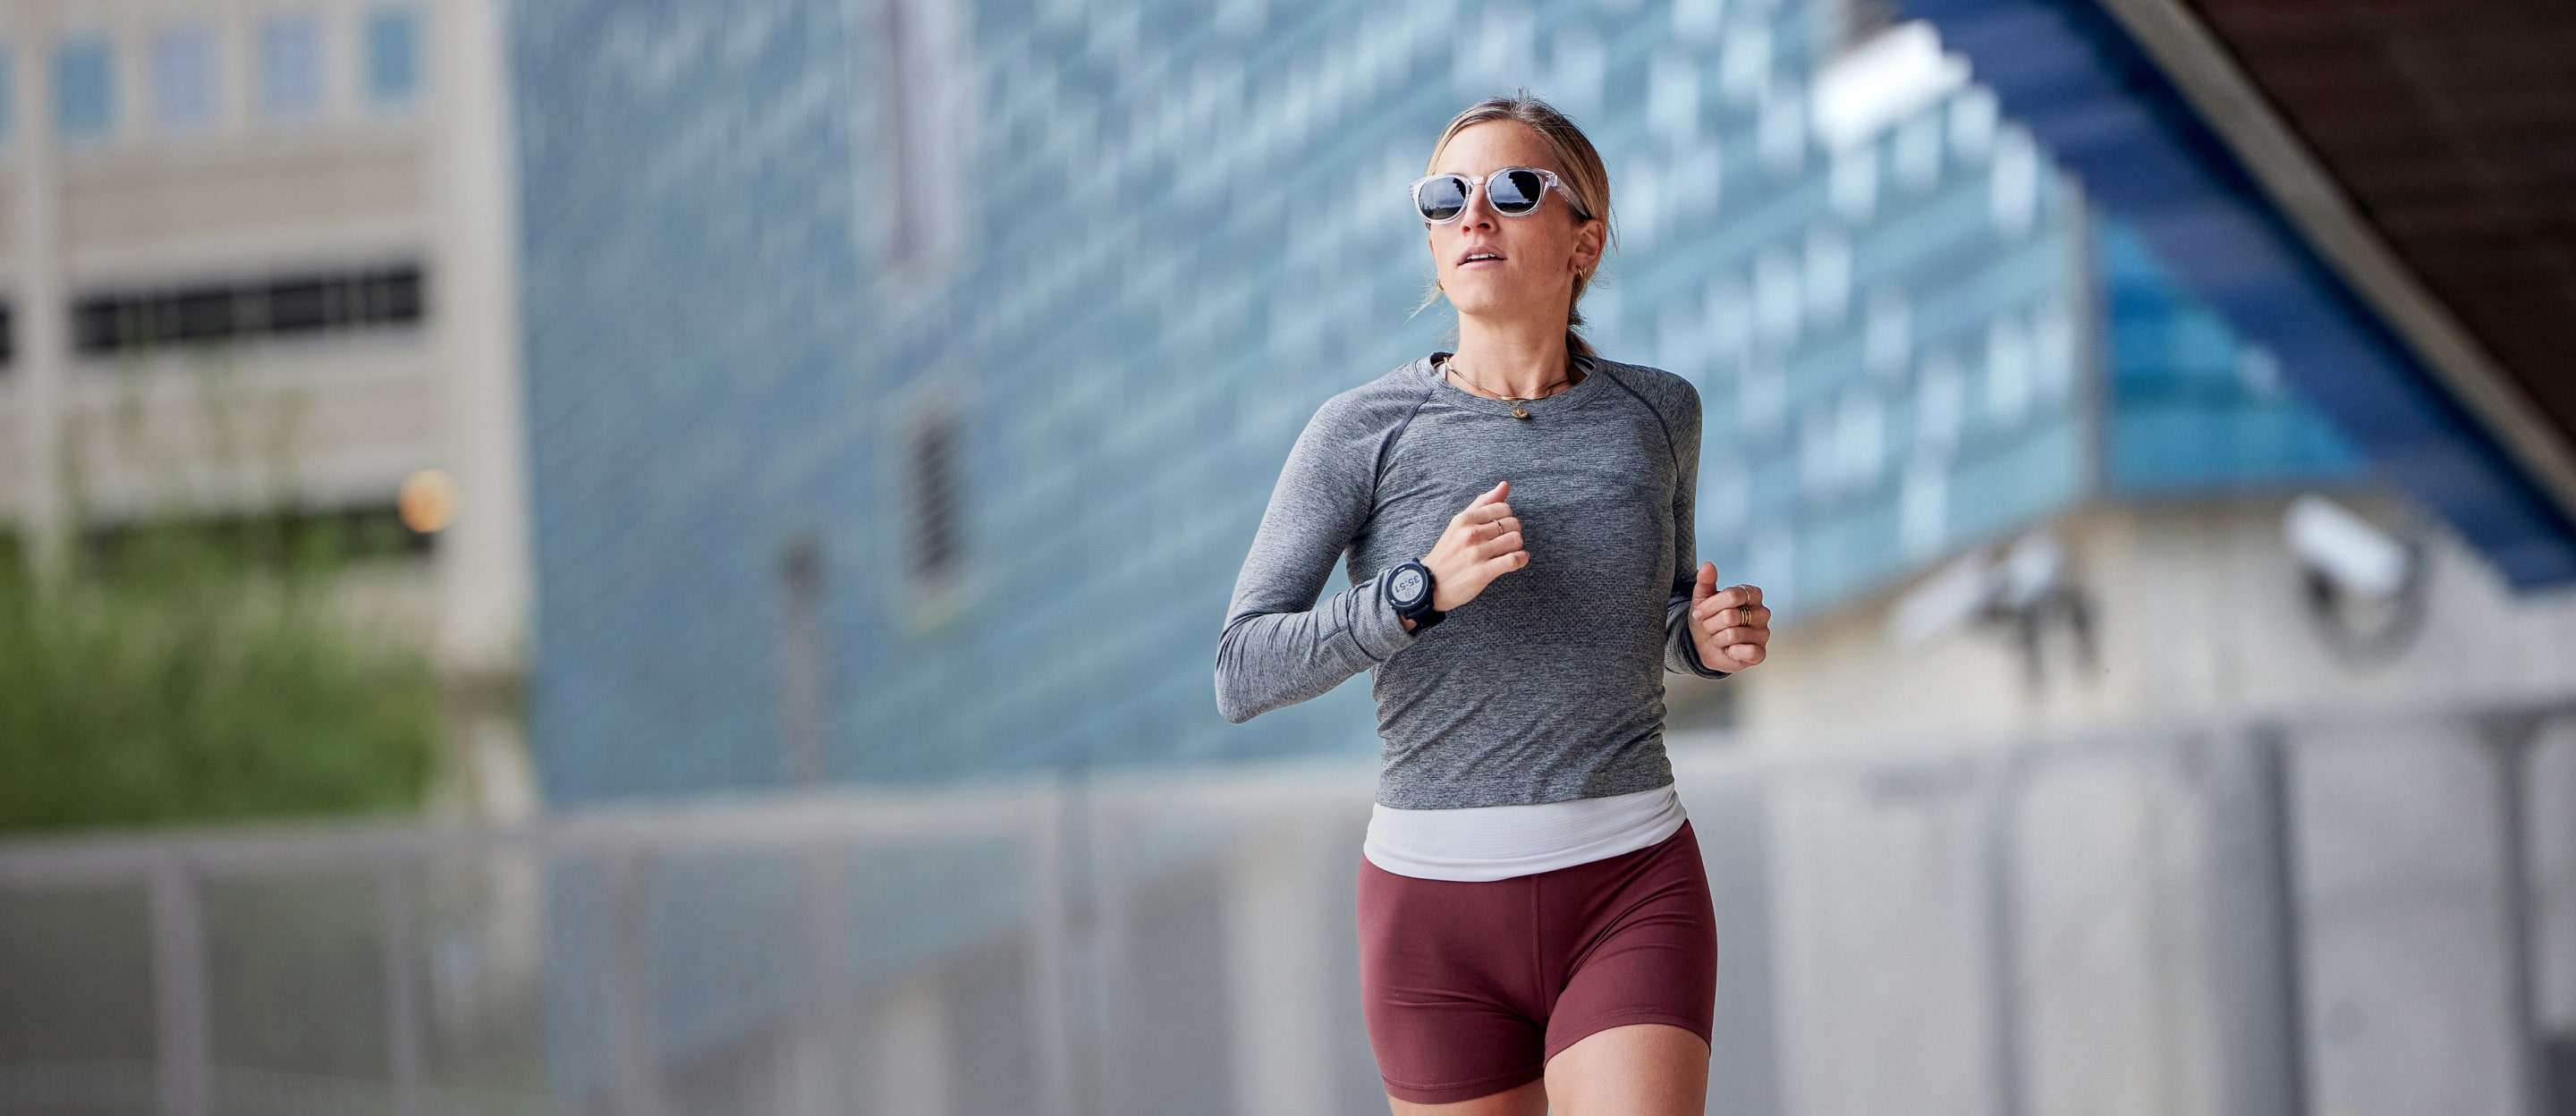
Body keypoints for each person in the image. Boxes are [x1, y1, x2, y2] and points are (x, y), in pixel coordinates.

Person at [1213, 93, 1775, 1115]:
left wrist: (1701, 641)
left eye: (1514, 190)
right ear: (1431, 245)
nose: (1473, 216)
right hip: (1433, 917)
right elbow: (1240, 669)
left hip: (1629, 880)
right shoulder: (1359, 432)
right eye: (1445, 198)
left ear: (1584, 243)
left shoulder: (1659, 413)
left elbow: (1648, 624)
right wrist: (1415, 593)